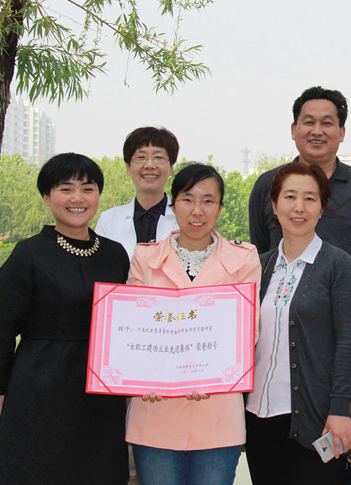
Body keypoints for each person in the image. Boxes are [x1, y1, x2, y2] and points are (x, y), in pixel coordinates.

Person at [0, 153, 130, 484]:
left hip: (100, 395)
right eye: (66, 189)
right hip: (38, 389)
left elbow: (128, 324)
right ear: (47, 197)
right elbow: (0, 331)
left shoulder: (114, 254)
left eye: (88, 188)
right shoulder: (28, 254)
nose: (78, 198)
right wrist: (0, 397)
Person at [125, 163, 261, 485]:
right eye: (188, 199)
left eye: (208, 200)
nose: (197, 210)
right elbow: (132, 328)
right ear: (173, 206)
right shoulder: (145, 258)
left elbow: (247, 332)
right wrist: (144, 375)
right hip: (155, 408)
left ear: (220, 207)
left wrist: (207, 372)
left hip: (217, 412)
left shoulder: (244, 258)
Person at [245, 162, 351, 485]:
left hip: (315, 419)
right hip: (257, 416)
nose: (299, 207)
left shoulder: (338, 265)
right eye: (290, 197)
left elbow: (349, 344)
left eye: (310, 198)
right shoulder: (258, 266)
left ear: (322, 208)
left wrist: (340, 410)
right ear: (274, 205)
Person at [248, 86, 351, 268]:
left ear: (341, 132)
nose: (317, 131)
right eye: (309, 122)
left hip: (348, 287)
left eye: (327, 123)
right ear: (294, 129)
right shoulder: (268, 184)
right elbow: (261, 253)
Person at [95, 126, 179, 259]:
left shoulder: (184, 219)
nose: (150, 165)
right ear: (128, 167)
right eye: (141, 157)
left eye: (158, 157)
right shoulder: (108, 220)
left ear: (171, 168)